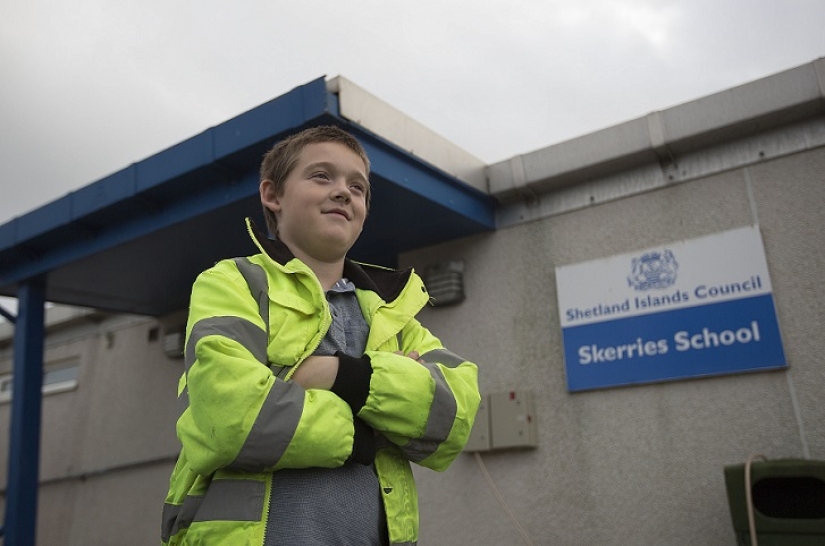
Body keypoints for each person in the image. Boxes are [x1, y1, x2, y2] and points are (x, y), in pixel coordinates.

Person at [161, 125, 481, 545]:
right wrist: (375, 429)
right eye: (321, 176)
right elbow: (232, 415)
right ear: (273, 195)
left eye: (358, 186)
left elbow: (452, 418)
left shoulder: (392, 313)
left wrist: (341, 375)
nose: (344, 192)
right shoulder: (234, 283)